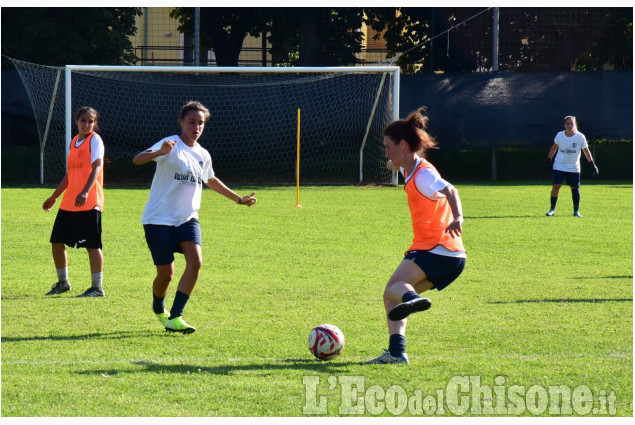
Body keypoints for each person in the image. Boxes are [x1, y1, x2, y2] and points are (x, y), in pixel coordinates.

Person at [133, 100, 257, 334]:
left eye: (201, 123)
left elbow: (210, 180)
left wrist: (238, 199)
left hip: (187, 219)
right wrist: (160, 152)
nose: (196, 127)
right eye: (192, 121)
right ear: (181, 122)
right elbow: (137, 159)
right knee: (166, 274)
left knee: (196, 262)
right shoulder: (170, 144)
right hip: (158, 219)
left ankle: (176, 317)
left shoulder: (203, 154)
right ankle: (159, 307)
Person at [367, 107, 466, 364]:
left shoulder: (424, 175)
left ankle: (413, 298)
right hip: (452, 256)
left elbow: (451, 190)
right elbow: (395, 163)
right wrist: (392, 162)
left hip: (434, 247)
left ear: (402, 144)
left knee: (395, 288)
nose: (386, 153)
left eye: (389, 147)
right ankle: (397, 352)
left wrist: (458, 217)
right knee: (391, 297)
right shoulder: (408, 168)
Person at [43, 106, 106, 297]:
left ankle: (97, 288)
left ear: (94, 124)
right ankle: (63, 283)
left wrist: (86, 191)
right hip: (70, 202)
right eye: (83, 120)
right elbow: (70, 175)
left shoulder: (94, 140)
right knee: (57, 242)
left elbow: (96, 168)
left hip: (89, 201)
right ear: (76, 121)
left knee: (92, 245)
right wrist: (54, 196)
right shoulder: (74, 142)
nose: (86, 124)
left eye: (90, 121)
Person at [546, 115, 599, 217]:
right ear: (564, 125)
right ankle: (552, 209)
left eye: (572, 123)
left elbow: (586, 151)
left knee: (575, 188)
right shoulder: (560, 135)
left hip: (574, 167)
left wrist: (592, 165)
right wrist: (549, 160)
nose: (570, 125)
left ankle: (576, 211)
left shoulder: (580, 137)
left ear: (575, 124)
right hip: (559, 165)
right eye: (568, 123)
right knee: (556, 186)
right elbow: (554, 148)